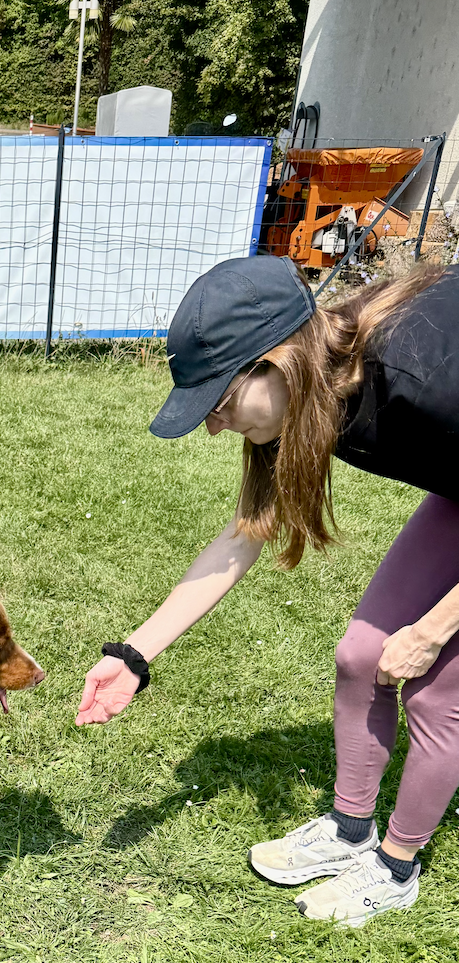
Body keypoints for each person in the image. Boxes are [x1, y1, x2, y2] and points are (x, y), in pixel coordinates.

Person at [76, 255, 459, 926]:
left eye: (218, 402)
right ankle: (349, 832)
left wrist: (430, 633)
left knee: (436, 690)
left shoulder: (422, 380)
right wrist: (134, 656)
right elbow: (243, 538)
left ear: (275, 362)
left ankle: (396, 868)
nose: (213, 426)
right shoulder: (310, 395)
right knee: (361, 656)